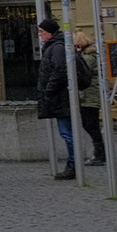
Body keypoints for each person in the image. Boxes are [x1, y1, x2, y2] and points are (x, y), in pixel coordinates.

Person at [36, 18, 82, 180]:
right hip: (61, 97)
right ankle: (73, 164)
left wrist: (49, 90)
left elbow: (59, 71)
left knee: (68, 133)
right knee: (67, 132)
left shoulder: (57, 48)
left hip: (62, 97)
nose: (40, 35)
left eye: (41, 32)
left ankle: (74, 165)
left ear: (49, 32)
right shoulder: (55, 46)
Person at [73, 31, 107, 167]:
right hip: (87, 95)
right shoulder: (87, 55)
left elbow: (81, 69)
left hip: (90, 95)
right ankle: (99, 152)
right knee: (88, 124)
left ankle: (100, 153)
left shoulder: (89, 56)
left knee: (91, 124)